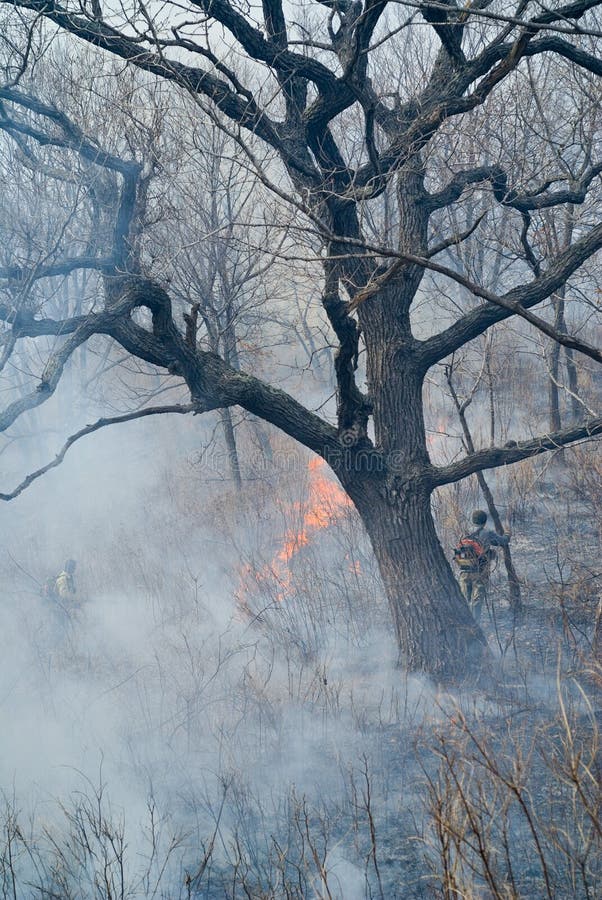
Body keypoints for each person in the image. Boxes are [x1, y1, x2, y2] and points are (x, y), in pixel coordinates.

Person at [455, 511, 510, 623]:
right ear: (484, 522)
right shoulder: (487, 533)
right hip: (480, 571)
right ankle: (475, 625)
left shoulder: (464, 532)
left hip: (464, 570)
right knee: (477, 601)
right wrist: (508, 533)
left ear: (472, 520)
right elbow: (503, 542)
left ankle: (465, 624)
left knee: (465, 599)